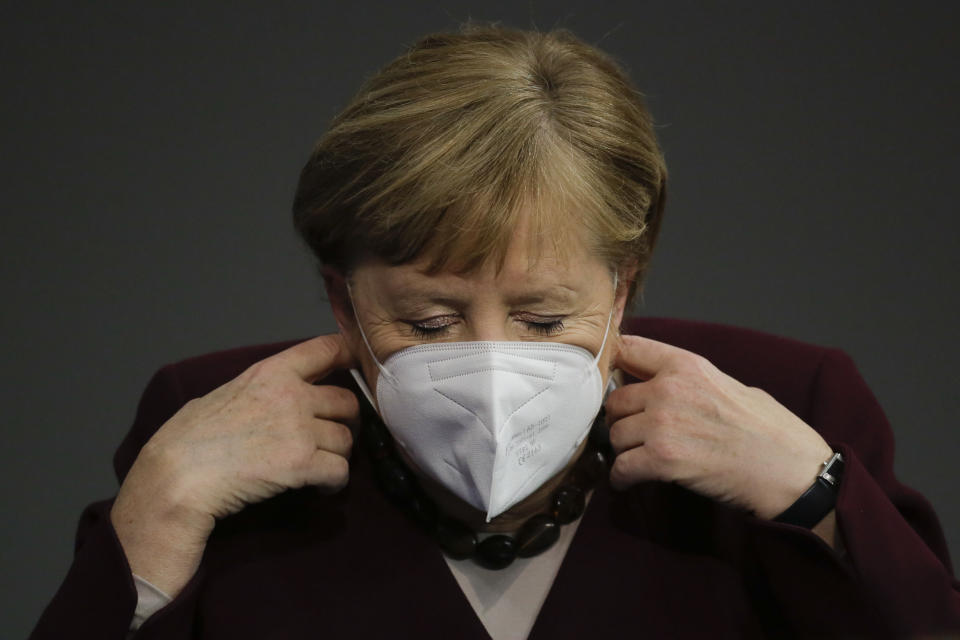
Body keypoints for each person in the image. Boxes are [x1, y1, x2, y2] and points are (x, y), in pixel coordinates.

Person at [30, 23, 960, 639]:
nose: (490, 360)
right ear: (339, 302)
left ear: (624, 287)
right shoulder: (210, 421)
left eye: (545, 318)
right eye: (429, 320)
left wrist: (822, 501)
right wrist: (149, 527)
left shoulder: (792, 403)